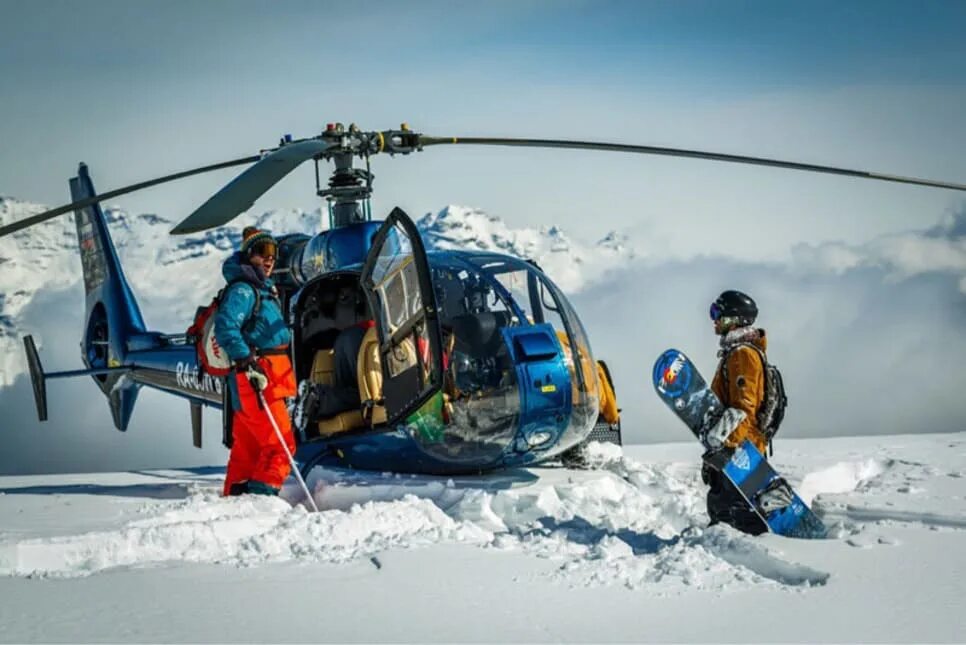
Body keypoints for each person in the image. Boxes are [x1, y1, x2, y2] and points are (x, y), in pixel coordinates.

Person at [214, 227, 296, 497]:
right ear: (250, 256)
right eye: (263, 252)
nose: (270, 258)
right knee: (281, 446)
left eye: (274, 252)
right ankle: (261, 501)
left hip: (257, 379)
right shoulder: (245, 291)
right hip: (258, 379)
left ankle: (234, 503)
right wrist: (247, 361)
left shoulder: (261, 290)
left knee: (247, 450)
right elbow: (225, 327)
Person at [703, 289, 770, 535]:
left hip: (740, 449)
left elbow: (743, 406)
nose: (714, 319)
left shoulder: (742, 354)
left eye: (717, 313)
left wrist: (722, 442)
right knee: (725, 506)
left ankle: (737, 557)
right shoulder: (736, 353)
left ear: (735, 319)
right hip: (739, 444)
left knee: (733, 512)